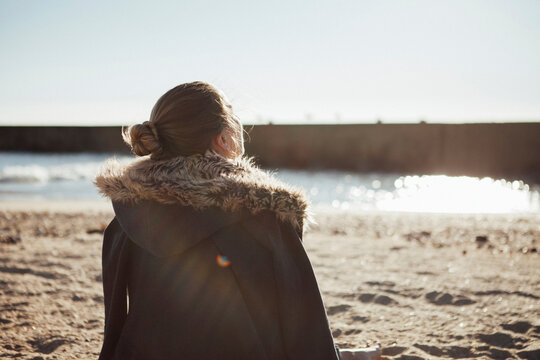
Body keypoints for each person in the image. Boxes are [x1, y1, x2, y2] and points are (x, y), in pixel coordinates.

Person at [94, 81, 381, 360]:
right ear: (224, 138)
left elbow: (115, 331)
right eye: (233, 114)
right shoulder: (263, 216)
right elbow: (305, 329)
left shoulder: (127, 219)